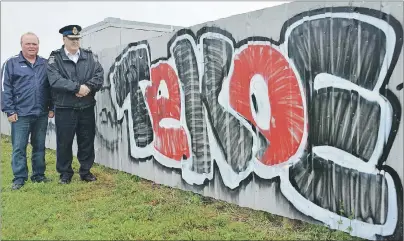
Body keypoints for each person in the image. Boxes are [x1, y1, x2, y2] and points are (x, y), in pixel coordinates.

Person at [47, 25, 104, 184]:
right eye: (71, 39)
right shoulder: (55, 58)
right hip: (65, 108)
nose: (75, 42)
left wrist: (89, 87)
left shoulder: (89, 56)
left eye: (77, 39)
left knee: (86, 140)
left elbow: (99, 75)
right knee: (64, 142)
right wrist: (77, 88)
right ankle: (65, 173)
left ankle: (85, 171)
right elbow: (55, 80)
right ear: (64, 39)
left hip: (86, 107)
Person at [1, 32, 54, 190]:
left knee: (39, 146)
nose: (32, 47)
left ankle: (39, 175)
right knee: (19, 147)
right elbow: (5, 88)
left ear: (38, 45)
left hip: (41, 114)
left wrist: (52, 107)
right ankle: (19, 177)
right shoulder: (11, 64)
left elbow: (51, 88)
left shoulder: (45, 64)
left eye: (34, 44)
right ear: (21, 45)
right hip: (20, 115)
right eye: (28, 44)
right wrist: (9, 111)